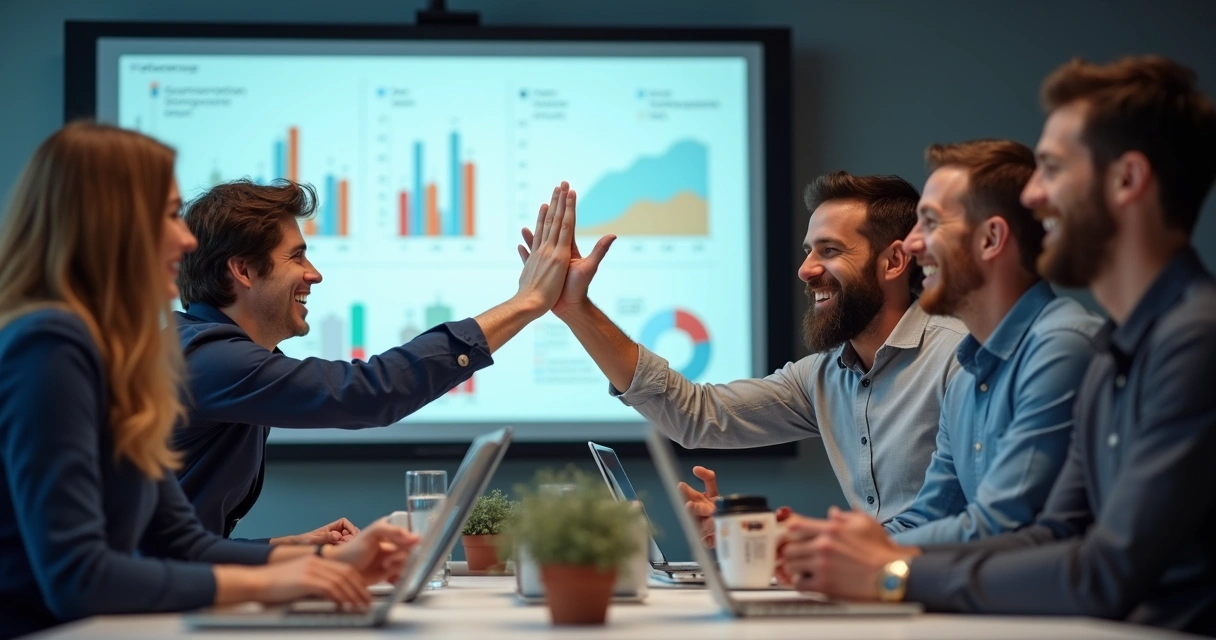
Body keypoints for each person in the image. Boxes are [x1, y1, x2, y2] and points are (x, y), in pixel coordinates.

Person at [777, 56, 1216, 636]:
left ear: (1127, 180)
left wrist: (892, 573)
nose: (1032, 195)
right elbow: (1052, 532)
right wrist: (849, 554)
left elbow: (1103, 570)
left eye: (1052, 168)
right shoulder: (1114, 344)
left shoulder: (1191, 340)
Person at [0, 123, 418, 640]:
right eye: (168, 215)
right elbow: (79, 578)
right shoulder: (49, 346)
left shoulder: (117, 356)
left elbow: (182, 543)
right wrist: (275, 582)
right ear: (111, 225)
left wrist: (325, 561)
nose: (185, 239)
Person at [521, 172, 967, 544]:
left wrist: (781, 537)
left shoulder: (958, 359)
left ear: (894, 262)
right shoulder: (825, 375)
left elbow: (969, 525)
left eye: (830, 251)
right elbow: (697, 415)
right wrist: (577, 310)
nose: (806, 269)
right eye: (808, 251)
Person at [174, 179, 576, 541]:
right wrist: (526, 303)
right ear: (243, 270)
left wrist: (287, 551)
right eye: (296, 257)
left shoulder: (208, 353)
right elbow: (368, 392)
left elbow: (179, 549)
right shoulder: (211, 361)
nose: (314, 275)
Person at [851, 139, 1099, 545]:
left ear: (990, 238)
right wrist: (819, 546)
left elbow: (1003, 527)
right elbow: (927, 518)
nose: (911, 244)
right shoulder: (966, 376)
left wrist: (858, 554)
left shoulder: (1061, 347)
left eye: (930, 222)